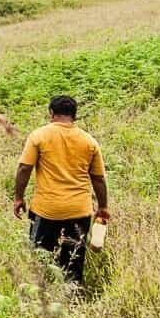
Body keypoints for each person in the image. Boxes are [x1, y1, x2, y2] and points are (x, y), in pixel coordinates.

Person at [12, 95, 109, 284]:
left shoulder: (39, 136)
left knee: (40, 259)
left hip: (46, 210)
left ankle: (43, 296)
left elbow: (24, 168)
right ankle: (73, 300)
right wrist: (103, 207)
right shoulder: (89, 141)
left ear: (51, 113)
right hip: (79, 211)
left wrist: (18, 197)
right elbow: (98, 178)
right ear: (74, 115)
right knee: (73, 260)